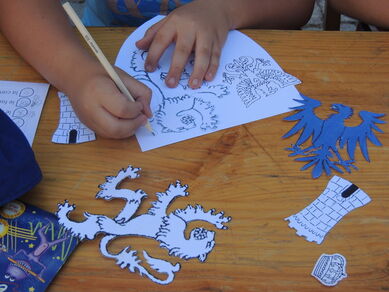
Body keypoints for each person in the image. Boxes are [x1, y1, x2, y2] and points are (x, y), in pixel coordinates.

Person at [0, 0, 315, 139]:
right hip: (97, 53)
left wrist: (224, 8)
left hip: (247, 63)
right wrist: (75, 72)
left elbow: (298, 6)